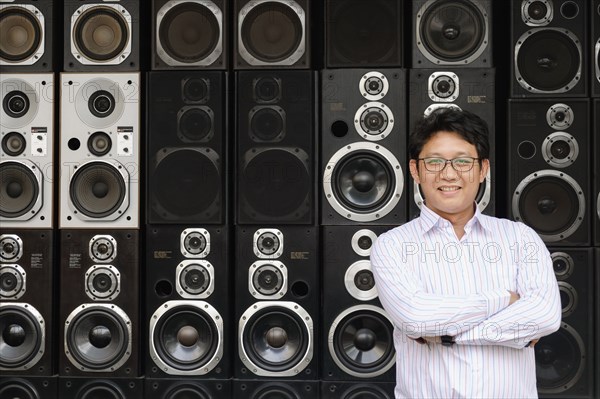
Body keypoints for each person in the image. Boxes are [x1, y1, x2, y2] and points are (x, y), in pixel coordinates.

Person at [370, 109, 561, 398]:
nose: (448, 174)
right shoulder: (391, 246)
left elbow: (545, 316)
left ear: (483, 169)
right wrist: (504, 300)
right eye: (434, 162)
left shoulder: (521, 239)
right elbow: (415, 318)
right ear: (414, 170)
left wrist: (446, 337)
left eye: (462, 161)